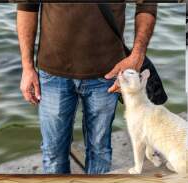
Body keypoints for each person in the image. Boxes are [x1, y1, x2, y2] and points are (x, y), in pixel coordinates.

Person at [17, 3, 157, 174]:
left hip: (108, 73)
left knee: (100, 150)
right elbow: (27, 7)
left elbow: (147, 5)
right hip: (53, 72)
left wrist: (137, 55)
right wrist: (27, 67)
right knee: (53, 152)